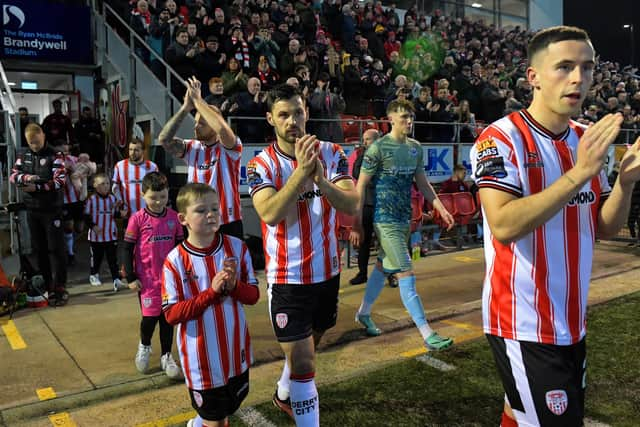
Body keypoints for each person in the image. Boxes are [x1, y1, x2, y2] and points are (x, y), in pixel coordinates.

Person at [470, 26, 640, 427]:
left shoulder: (585, 138)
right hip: (522, 322)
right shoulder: (500, 139)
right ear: (534, 77)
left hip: (570, 320)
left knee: (522, 415)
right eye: (564, 67)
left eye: (587, 67)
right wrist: (579, 174)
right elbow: (504, 224)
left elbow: (603, 227)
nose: (578, 78)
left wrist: (625, 184)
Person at [246, 84, 357, 426]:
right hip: (287, 279)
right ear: (270, 119)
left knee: (315, 337)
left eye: (297, 112)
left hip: (327, 272)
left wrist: (321, 181)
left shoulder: (332, 151)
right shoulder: (259, 164)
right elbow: (269, 213)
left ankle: (283, 392)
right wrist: (300, 173)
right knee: (306, 365)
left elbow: (351, 203)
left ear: (306, 112)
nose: (292, 121)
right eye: (283, 115)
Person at [350, 99, 454, 351]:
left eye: (411, 116)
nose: (409, 121)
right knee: (406, 271)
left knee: (381, 267)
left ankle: (363, 313)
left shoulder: (415, 148)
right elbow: (361, 186)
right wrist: (356, 223)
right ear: (390, 119)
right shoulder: (377, 149)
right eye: (404, 117)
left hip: (403, 218)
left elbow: (423, 183)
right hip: (383, 220)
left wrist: (440, 206)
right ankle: (427, 333)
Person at [162, 183, 259, 427]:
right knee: (215, 420)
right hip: (201, 360)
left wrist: (234, 286)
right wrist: (211, 293)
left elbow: (253, 296)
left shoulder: (237, 247)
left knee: (225, 411)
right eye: (201, 210)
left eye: (215, 209)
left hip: (236, 353)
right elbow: (171, 314)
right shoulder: (174, 261)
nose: (211, 215)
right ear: (183, 218)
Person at [158, 77, 244, 239]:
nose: (196, 126)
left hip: (227, 223)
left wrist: (198, 100)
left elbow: (222, 129)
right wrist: (185, 108)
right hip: (197, 222)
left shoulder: (230, 147)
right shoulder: (192, 147)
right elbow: (164, 139)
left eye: (202, 123)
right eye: (196, 122)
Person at [121, 172, 183, 377]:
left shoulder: (174, 218)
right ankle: (145, 346)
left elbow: (179, 247)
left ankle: (166, 355)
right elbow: (127, 248)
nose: (158, 202)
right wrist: (130, 277)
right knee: (149, 319)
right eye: (153, 197)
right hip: (147, 280)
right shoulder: (137, 219)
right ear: (143, 194)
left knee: (168, 318)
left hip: (169, 280)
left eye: (163, 197)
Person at [10, 123, 68, 306]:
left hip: (52, 210)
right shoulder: (23, 154)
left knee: (56, 249)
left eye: (36, 142)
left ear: (43, 135)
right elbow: (13, 175)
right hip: (32, 209)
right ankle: (47, 285)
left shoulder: (55, 155)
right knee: (40, 250)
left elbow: (59, 181)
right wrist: (27, 178)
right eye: (31, 143)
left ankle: (60, 287)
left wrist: (38, 186)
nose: (34, 145)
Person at [348, 128, 379, 285]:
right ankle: (362, 273)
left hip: (381, 205)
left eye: (368, 139)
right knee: (364, 242)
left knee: (385, 243)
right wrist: (362, 154)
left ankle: (391, 275)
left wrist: (368, 179)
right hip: (366, 204)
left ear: (376, 140)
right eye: (364, 139)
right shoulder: (363, 155)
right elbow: (355, 173)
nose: (364, 142)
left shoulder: (384, 155)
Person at [84, 173, 124, 291]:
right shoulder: (91, 200)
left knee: (113, 258)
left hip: (111, 234)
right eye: (102, 184)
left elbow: (114, 214)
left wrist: (120, 214)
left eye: (107, 183)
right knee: (97, 257)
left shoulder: (113, 198)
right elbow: (86, 216)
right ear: (95, 185)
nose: (106, 186)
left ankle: (116, 279)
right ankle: (94, 275)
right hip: (96, 236)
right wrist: (93, 226)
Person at [111, 138, 159, 221]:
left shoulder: (152, 167)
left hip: (148, 214)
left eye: (136, 150)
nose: (132, 153)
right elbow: (115, 187)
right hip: (127, 214)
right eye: (130, 149)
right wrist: (119, 203)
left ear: (143, 151)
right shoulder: (120, 166)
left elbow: (158, 189)